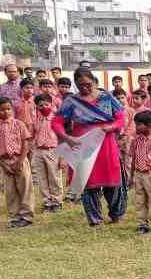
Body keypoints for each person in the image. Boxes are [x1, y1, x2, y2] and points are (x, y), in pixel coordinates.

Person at [53, 68, 127, 226]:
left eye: (87, 84)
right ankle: (95, 219)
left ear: (94, 81)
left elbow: (121, 118)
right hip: (82, 143)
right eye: (80, 85)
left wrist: (111, 127)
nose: (84, 88)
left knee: (112, 179)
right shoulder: (71, 101)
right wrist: (67, 137)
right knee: (87, 180)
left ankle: (116, 214)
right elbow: (56, 122)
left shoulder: (106, 97)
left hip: (105, 142)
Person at [0, 96, 34, 228]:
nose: (6, 112)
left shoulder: (19, 124)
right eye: (2, 110)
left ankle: (27, 215)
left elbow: (26, 142)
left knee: (25, 187)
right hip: (4, 161)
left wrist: (20, 161)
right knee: (10, 191)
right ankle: (14, 216)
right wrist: (4, 164)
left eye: (8, 109)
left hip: (20, 159)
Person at [31, 94, 63, 212]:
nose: (44, 107)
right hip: (39, 150)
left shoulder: (57, 118)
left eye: (46, 104)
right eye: (41, 105)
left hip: (53, 150)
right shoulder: (36, 119)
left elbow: (62, 137)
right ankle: (47, 202)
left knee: (54, 177)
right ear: (37, 107)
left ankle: (57, 201)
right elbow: (33, 134)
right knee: (42, 178)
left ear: (51, 104)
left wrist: (62, 157)